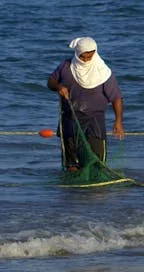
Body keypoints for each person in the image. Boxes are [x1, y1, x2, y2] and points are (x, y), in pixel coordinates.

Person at [46, 37, 124, 171]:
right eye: (83, 56)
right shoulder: (65, 67)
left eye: (90, 55)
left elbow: (116, 97)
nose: (87, 59)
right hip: (70, 119)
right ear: (77, 53)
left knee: (97, 162)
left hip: (95, 120)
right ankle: (73, 189)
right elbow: (51, 82)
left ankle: (97, 190)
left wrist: (118, 121)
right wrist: (59, 87)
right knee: (72, 163)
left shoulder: (103, 72)